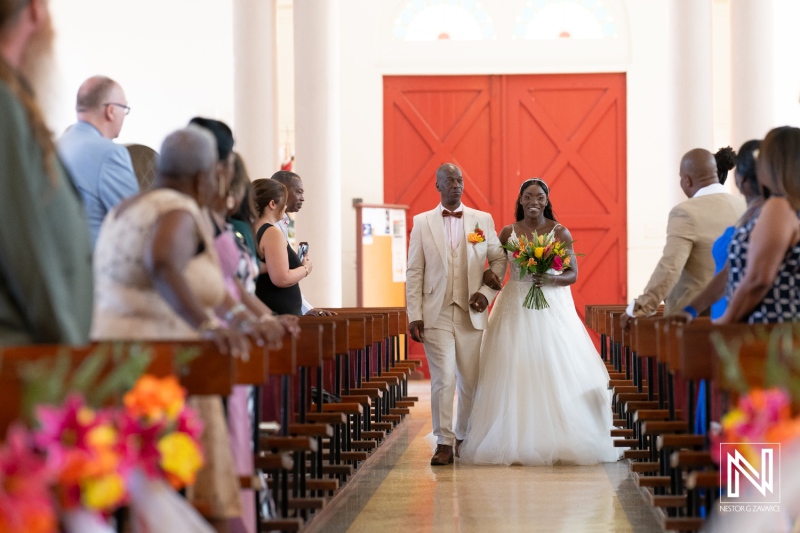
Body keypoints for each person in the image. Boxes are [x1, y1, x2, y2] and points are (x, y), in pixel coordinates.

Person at [92, 126, 274, 532]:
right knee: (200, 497)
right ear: (204, 175)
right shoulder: (177, 210)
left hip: (118, 363)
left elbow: (205, 284)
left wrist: (249, 320)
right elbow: (163, 263)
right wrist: (209, 327)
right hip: (163, 371)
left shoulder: (130, 207)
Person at [458, 178, 619, 465]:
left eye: (540, 196)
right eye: (528, 196)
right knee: (512, 366)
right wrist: (488, 279)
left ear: (547, 201)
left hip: (550, 303)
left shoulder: (559, 232)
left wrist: (550, 278)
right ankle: (512, 435)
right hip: (514, 305)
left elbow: (572, 273)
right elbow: (498, 267)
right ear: (520, 200)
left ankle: (558, 433)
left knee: (551, 363)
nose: (534, 201)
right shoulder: (509, 232)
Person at [0, 0, 93, 346]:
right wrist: (67, 350)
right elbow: (23, 244)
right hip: (21, 354)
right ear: (35, 11)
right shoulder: (4, 101)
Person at [406, 163, 506, 466]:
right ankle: (444, 441)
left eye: (460, 180)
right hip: (435, 314)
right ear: (438, 186)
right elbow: (414, 271)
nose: (456, 184)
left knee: (470, 380)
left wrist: (487, 293)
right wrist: (414, 314)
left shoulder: (481, 220)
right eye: (449, 180)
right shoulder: (422, 223)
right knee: (443, 379)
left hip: (471, 313)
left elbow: (499, 259)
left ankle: (464, 435)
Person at [621, 148, 745, 329]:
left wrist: (639, 309)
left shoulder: (686, 212)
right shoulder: (743, 206)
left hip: (695, 320)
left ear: (686, 180)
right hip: (738, 316)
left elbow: (670, 267)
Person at [718, 126, 800, 324]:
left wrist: (725, 322)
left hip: (766, 330)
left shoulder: (779, 206)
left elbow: (758, 280)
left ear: (772, 163)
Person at [679, 140, 763, 321]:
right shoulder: (747, 213)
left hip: (750, 322)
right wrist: (691, 309)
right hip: (723, 314)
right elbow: (729, 272)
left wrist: (727, 320)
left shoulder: (771, 215)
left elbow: (757, 280)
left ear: (741, 179)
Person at [58, 75, 139, 248]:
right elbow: (136, 222)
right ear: (110, 111)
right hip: (95, 267)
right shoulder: (111, 154)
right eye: (124, 108)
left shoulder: (59, 144)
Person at [270, 170, 334, 316]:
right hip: (276, 311)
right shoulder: (271, 228)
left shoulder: (282, 224)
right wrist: (305, 268)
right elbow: (281, 277)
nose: (302, 198)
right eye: (298, 192)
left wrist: (306, 308)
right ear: (283, 191)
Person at [253, 178, 311, 316]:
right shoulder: (271, 232)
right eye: (283, 203)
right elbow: (281, 278)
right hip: (279, 315)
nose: (285, 208)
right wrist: (305, 269)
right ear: (272, 204)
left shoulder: (251, 228)